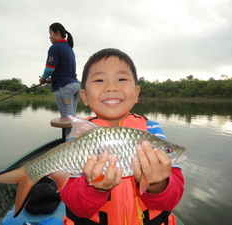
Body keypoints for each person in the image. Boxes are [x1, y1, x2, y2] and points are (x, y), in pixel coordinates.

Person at [60, 48, 185, 225]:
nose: (111, 87)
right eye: (99, 80)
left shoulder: (152, 130)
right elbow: (77, 206)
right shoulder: (79, 139)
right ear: (84, 96)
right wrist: (95, 188)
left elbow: (171, 199)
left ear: (136, 93)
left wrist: (158, 184)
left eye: (122, 79)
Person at [39, 22, 80, 117]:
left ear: (57, 33)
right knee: (72, 119)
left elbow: (49, 69)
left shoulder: (55, 47)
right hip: (75, 85)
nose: (49, 37)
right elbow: (65, 70)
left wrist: (43, 79)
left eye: (50, 33)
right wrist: (52, 79)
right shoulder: (69, 48)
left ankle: (69, 133)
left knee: (67, 120)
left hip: (65, 87)